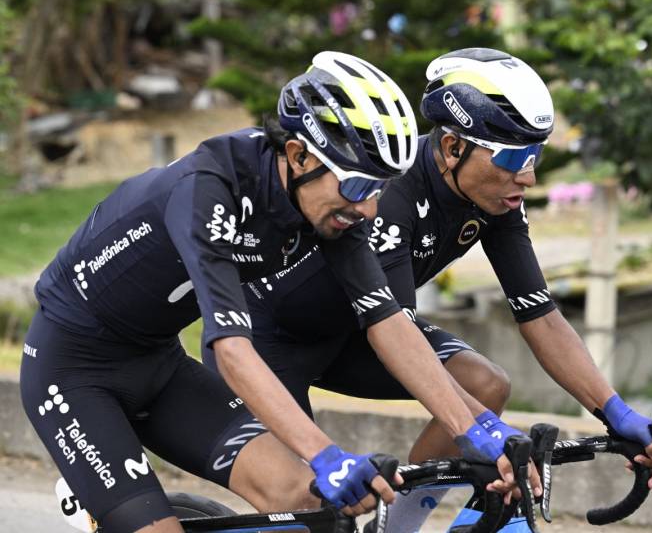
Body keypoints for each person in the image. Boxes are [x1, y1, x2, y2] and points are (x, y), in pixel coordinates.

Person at [230, 48, 652, 533]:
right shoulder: (392, 193)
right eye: (515, 158)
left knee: (486, 383)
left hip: (356, 332)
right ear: (454, 147)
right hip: (275, 342)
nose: (529, 175)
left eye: (536, 155)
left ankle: (394, 527)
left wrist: (614, 409)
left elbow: (540, 314)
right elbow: (397, 333)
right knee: (309, 504)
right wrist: (487, 433)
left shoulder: (496, 197)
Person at [20, 51, 454, 533]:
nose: (370, 209)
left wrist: (477, 431)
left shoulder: (326, 206)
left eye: (380, 188)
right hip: (73, 372)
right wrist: (326, 454)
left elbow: (389, 321)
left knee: (303, 499)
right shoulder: (209, 187)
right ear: (299, 155)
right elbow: (230, 349)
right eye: (357, 185)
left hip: (158, 365)